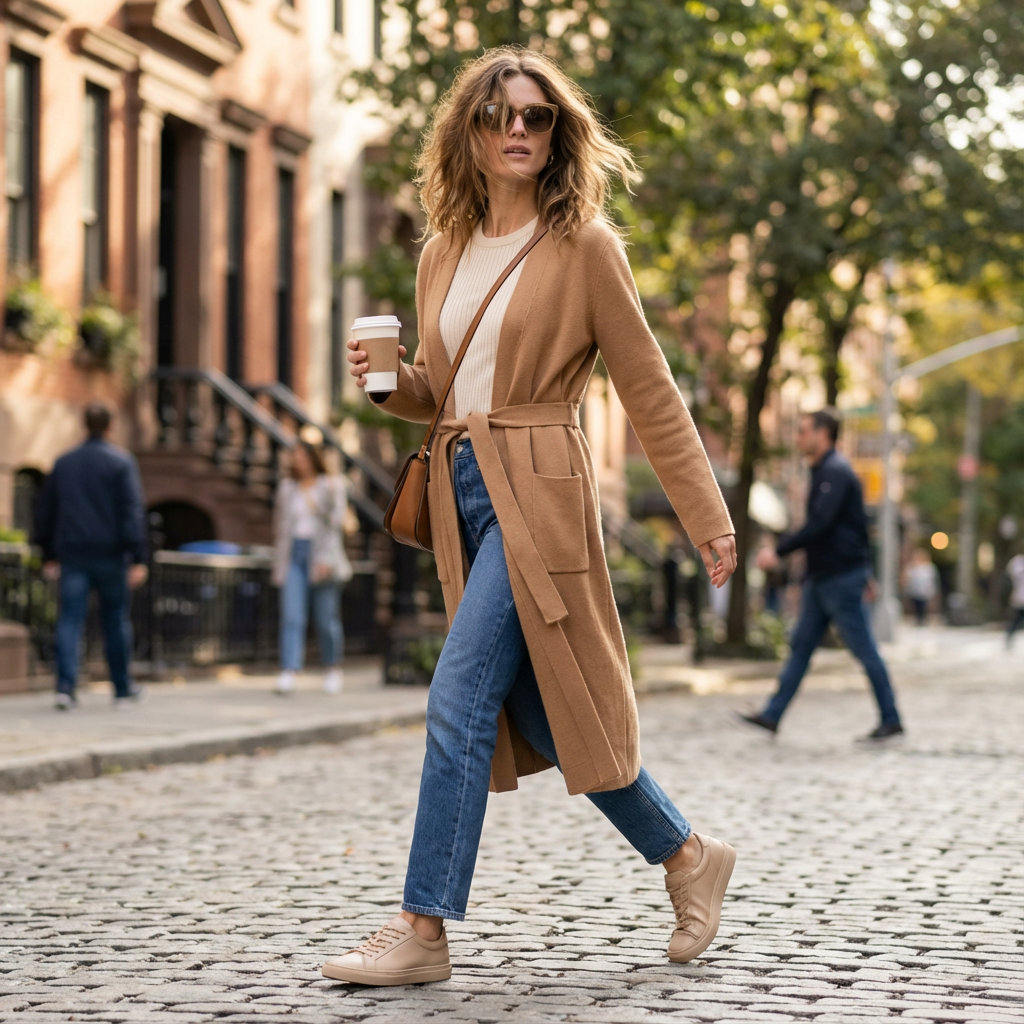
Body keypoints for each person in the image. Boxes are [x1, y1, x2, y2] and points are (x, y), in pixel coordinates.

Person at [321, 47, 739, 988]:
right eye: (498, 115)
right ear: (467, 132)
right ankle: (687, 856)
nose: (518, 130)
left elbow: (649, 388)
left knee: (456, 698)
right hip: (464, 489)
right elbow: (447, 392)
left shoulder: (586, 246)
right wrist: (391, 389)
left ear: (558, 136)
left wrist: (705, 514)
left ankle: (422, 931)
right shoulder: (441, 252)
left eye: (537, 117)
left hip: (539, 489)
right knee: (548, 711)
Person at [742, 408, 903, 741]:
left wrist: (779, 550)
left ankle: (891, 718)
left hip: (839, 579)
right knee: (801, 646)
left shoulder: (835, 472)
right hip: (823, 578)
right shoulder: (825, 471)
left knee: (863, 649)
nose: (798, 437)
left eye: (803, 431)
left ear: (823, 434)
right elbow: (852, 528)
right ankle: (772, 714)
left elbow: (820, 525)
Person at [34, 402, 148, 710]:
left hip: (73, 554)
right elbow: (131, 513)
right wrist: (138, 556)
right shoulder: (121, 462)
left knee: (70, 620)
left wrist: (47, 552)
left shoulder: (64, 462)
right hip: (111, 555)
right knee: (115, 620)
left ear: (84, 424)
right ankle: (122, 689)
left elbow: (46, 510)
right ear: (110, 427)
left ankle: (65, 687)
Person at [272, 440, 351, 695]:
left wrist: (325, 559)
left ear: (313, 458)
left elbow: (335, 525)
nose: (298, 461)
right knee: (292, 615)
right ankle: (289, 671)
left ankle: (332, 668)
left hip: (322, 554)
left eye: (302, 456)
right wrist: (280, 563)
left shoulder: (332, 485)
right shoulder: (287, 488)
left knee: (326, 618)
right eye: (295, 456)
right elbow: (281, 527)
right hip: (295, 554)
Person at [904, 548, 939, 626]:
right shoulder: (911, 567)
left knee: (923, 605)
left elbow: (932, 580)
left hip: (924, 591)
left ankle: (922, 619)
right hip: (914, 590)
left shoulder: (929, 568)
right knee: (916, 605)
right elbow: (908, 578)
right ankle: (918, 619)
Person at [1006, 551, 1024, 649]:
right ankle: (1009, 639)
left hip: (1019, 596)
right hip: (1020, 596)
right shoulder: (1018, 562)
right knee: (1016, 619)